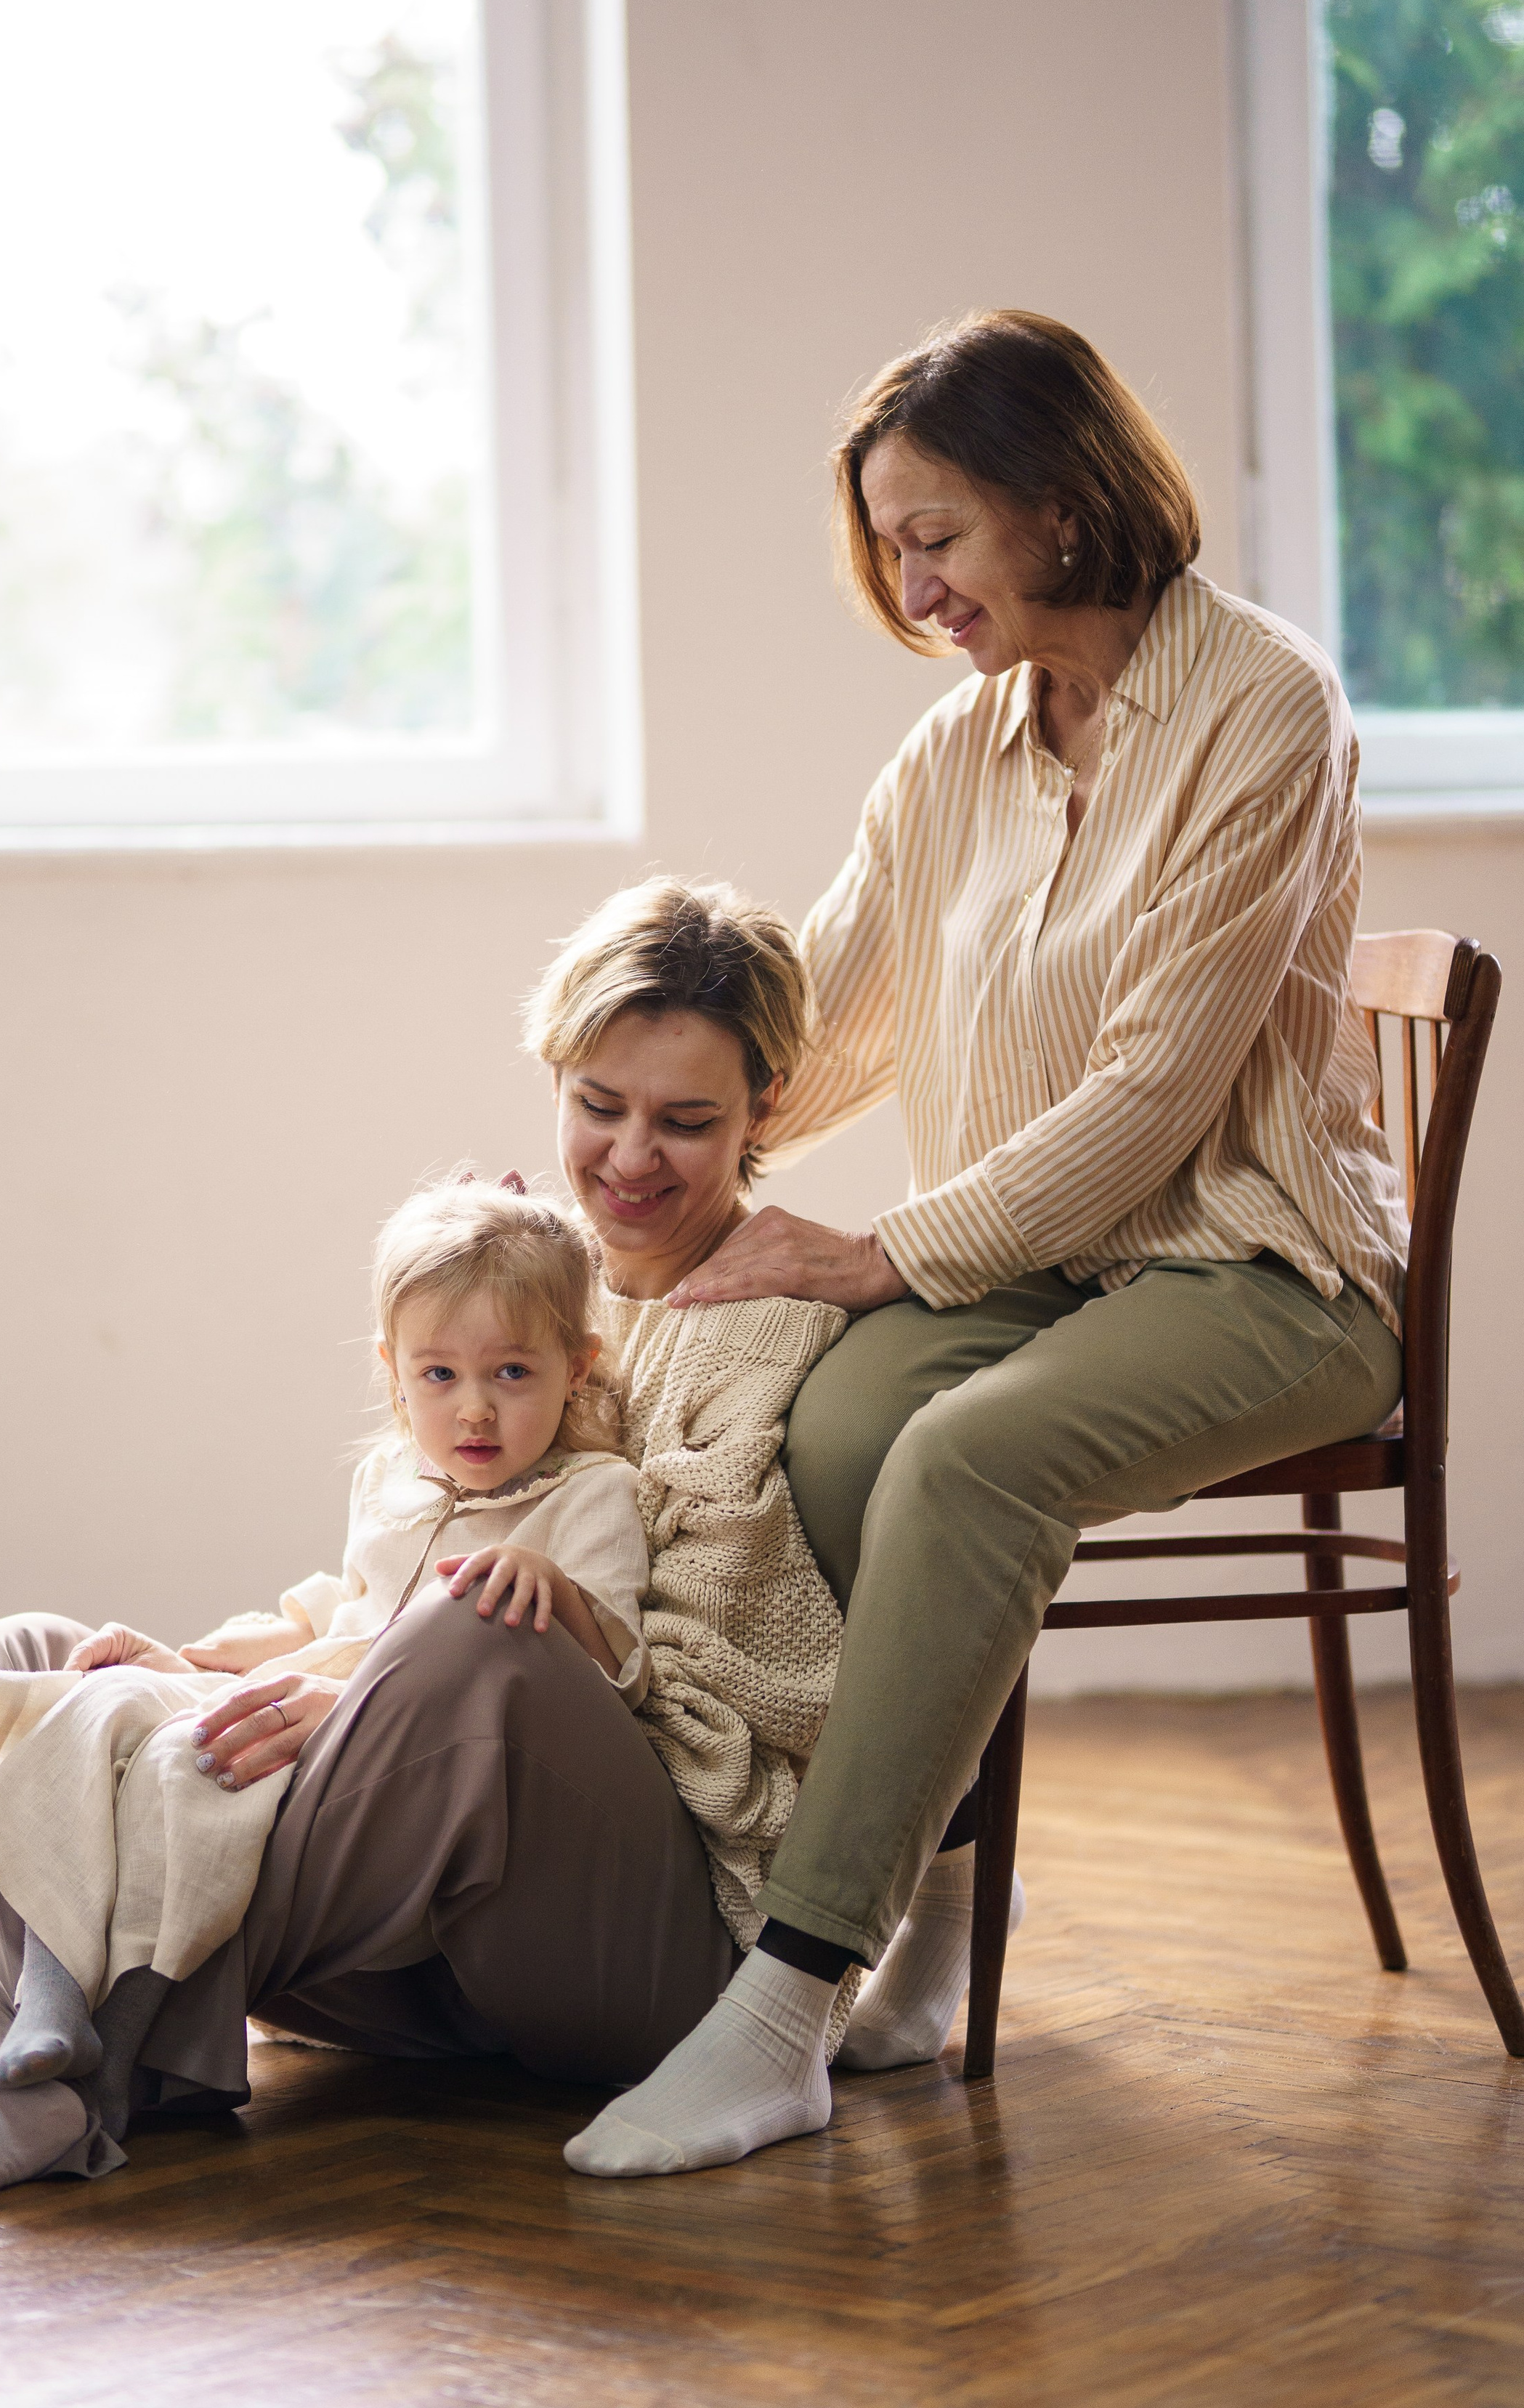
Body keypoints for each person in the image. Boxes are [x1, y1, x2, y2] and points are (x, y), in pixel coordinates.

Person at [564, 308, 1409, 2179]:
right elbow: (832, 1003)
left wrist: (872, 1256)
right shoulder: (958, 749)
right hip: (1049, 1261)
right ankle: (937, 1927)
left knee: (955, 1455)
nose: (906, 580)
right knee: (838, 1429)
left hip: (1259, 1268)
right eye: (884, 541)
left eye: (933, 533)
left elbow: (1152, 1089)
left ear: (1059, 499)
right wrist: (663, 1140)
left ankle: (784, 2004)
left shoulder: (1263, 710)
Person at [0, 882, 968, 2216]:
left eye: (687, 1121)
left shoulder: (775, 1325)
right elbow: (383, 1575)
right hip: (407, 1935)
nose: (632, 1158)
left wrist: (373, 1698)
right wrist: (233, 1669)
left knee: (482, 1625)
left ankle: (72, 2084)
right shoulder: (519, 1275)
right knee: (25, 1658)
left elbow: (723, 1704)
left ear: (764, 1115)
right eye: (600, 1105)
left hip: (628, 1940)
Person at [0, 1180, 649, 2144]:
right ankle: (13, 2025)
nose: (474, 1410)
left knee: (185, 1765)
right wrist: (192, 1656)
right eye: (439, 1377)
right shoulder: (390, 1481)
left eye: (512, 1373)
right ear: (393, 1373)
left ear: (575, 1367)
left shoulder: (593, 1494)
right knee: (78, 1690)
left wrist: (544, 1584)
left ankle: (121, 2064)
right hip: (322, 1695)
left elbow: (617, 1674)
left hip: (390, 1757)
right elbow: (337, 1612)